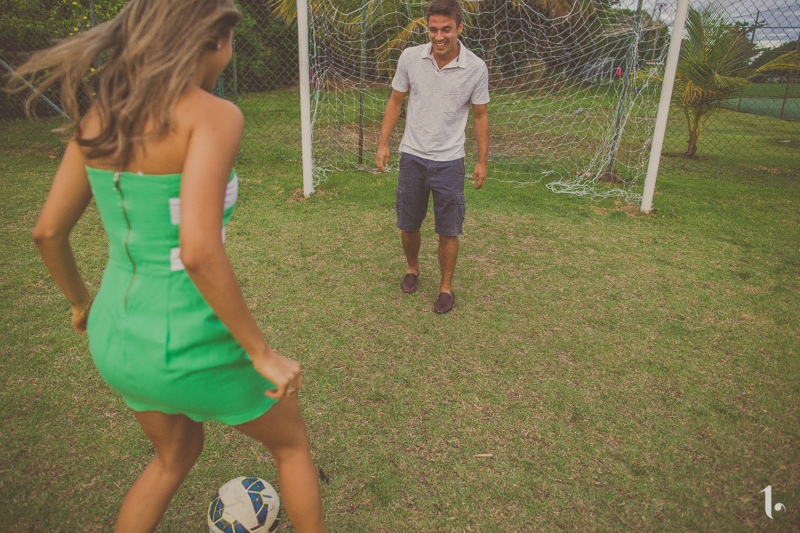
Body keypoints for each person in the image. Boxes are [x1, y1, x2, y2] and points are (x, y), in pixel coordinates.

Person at [11, 1, 325, 531]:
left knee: (173, 457)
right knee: (292, 446)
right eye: (230, 37)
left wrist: (81, 303)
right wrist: (261, 352)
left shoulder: (101, 116)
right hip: (188, 336)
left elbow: (47, 233)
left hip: (116, 337)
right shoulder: (215, 116)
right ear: (212, 41)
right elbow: (198, 250)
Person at [375, 0, 490, 314]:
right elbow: (395, 100)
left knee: (448, 229)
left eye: (446, 29)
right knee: (408, 224)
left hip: (450, 161)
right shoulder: (411, 58)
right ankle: (412, 269)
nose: (439, 37)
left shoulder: (476, 67)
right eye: (433, 29)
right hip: (412, 156)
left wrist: (482, 160)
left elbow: (480, 116)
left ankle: (445, 287)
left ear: (459, 28)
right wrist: (383, 143)